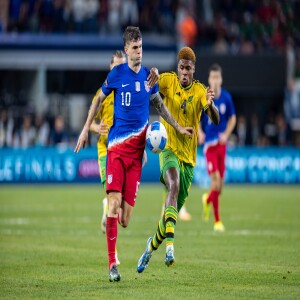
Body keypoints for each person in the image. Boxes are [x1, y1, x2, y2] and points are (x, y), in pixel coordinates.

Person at [74, 26, 194, 282]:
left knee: (125, 219)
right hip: (116, 151)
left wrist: (178, 127)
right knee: (114, 205)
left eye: (141, 47)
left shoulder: (149, 79)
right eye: (135, 48)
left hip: (136, 159)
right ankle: (111, 265)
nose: (139, 52)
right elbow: (97, 99)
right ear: (127, 49)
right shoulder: (117, 74)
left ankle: (111, 211)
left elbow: (160, 106)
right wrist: (86, 129)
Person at [137, 46, 219, 273]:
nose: (184, 72)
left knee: (167, 220)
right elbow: (151, 79)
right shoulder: (169, 81)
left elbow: (215, 118)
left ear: (194, 70)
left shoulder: (201, 90)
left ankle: (151, 247)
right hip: (168, 150)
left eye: (188, 68)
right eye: (181, 67)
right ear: (178, 67)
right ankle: (170, 249)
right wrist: (152, 70)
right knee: (173, 185)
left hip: (189, 160)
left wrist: (211, 106)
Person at [89, 50, 127, 266]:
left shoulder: (126, 92)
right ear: (110, 68)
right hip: (106, 151)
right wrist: (97, 128)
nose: (120, 70)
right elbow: (91, 121)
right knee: (115, 199)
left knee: (119, 206)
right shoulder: (102, 93)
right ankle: (114, 255)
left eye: (123, 66)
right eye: (116, 67)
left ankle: (106, 210)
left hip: (125, 151)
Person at [198, 63, 236, 232]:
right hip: (209, 147)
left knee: (219, 186)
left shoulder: (226, 98)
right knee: (215, 181)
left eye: (217, 77)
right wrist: (199, 132)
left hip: (222, 145)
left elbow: (233, 118)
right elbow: (195, 117)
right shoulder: (204, 97)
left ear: (221, 79)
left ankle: (207, 200)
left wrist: (227, 134)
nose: (214, 80)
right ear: (209, 79)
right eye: (212, 77)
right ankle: (217, 221)